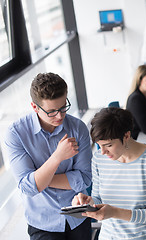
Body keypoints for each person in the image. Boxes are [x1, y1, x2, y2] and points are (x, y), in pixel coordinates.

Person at [4, 73, 92, 239]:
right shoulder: (16, 134)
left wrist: (41, 178)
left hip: (79, 217)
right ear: (35, 107)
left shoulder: (78, 128)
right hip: (43, 223)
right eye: (51, 112)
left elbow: (85, 179)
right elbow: (28, 188)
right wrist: (57, 157)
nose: (59, 116)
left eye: (63, 107)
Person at [72, 107, 146, 240]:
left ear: (126, 136)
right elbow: (98, 198)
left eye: (109, 145)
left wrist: (114, 212)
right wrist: (89, 202)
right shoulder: (99, 159)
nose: (103, 152)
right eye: (100, 145)